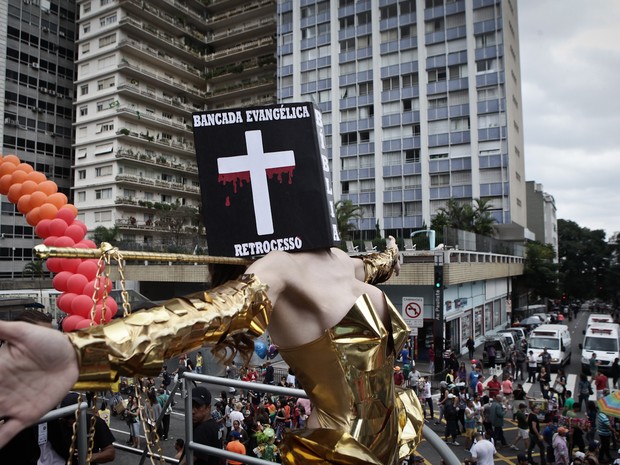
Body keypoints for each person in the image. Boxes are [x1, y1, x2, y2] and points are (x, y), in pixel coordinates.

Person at [0, 238, 423, 464]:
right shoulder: (276, 268)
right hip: (338, 452)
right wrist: (80, 353)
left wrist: (391, 253)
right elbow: (200, 317)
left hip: (392, 437)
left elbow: (373, 264)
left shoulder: (334, 254)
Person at [47, 392, 115, 465]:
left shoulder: (96, 423)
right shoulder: (57, 424)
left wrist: (91, 457)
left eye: (72, 418)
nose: (69, 422)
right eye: (65, 418)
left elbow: (110, 453)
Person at [181, 386, 220, 465]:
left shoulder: (203, 429)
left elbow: (187, 461)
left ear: (208, 408)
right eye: (191, 405)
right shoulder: (213, 425)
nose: (192, 411)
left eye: (197, 406)